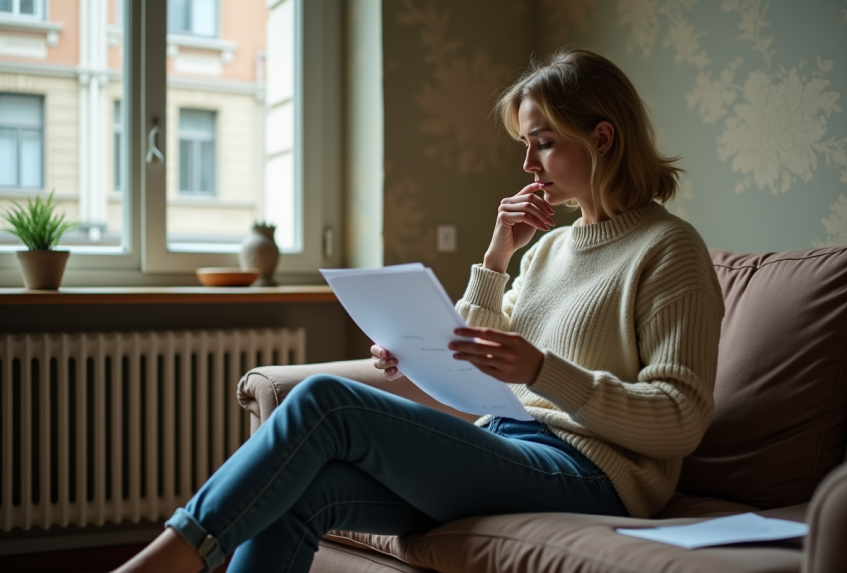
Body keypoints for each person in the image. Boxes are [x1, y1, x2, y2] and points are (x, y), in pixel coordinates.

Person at [115, 48, 724, 573]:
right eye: (525, 146)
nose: (527, 165)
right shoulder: (548, 251)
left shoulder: (669, 249)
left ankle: (176, 556)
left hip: (590, 476)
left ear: (603, 137)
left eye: (542, 144)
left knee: (324, 399)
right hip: (508, 445)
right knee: (307, 493)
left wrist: (543, 372)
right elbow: (480, 365)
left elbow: (681, 418)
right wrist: (488, 268)